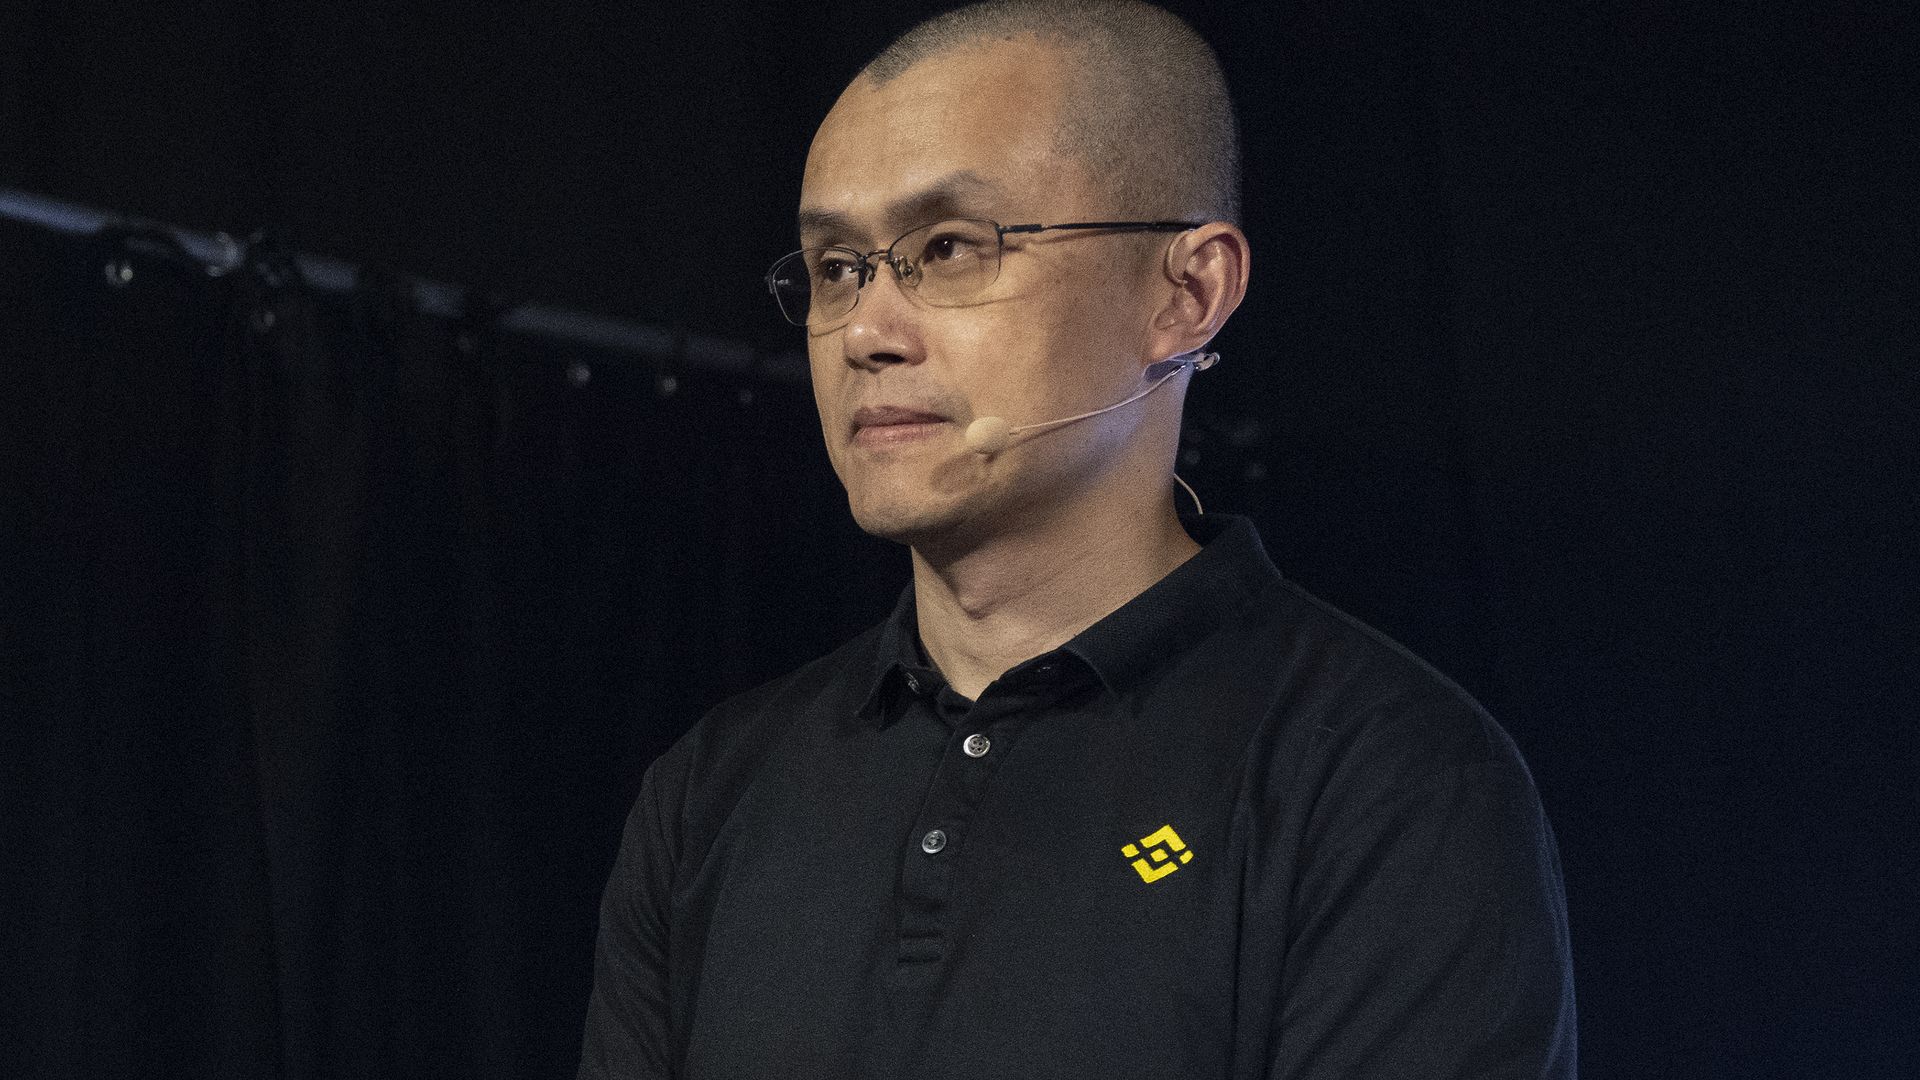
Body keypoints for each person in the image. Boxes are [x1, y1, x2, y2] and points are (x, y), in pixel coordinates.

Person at [577, 2, 1577, 1077]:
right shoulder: (712, 793)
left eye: (948, 248)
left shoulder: (1384, 780)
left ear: (1187, 293)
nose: (866, 332)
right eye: (836, 268)